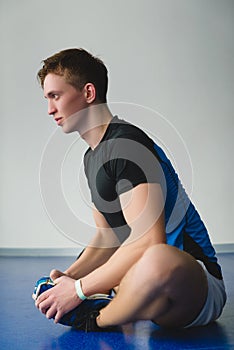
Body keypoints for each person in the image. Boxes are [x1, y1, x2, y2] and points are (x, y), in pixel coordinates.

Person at [35, 48, 226, 330]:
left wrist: (77, 292)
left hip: (194, 284)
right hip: (151, 287)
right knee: (125, 267)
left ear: (88, 92)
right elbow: (108, 235)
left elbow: (149, 241)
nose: (50, 109)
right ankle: (119, 302)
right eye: (47, 98)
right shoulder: (91, 157)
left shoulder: (127, 145)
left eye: (56, 96)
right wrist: (68, 277)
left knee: (156, 257)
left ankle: (97, 319)